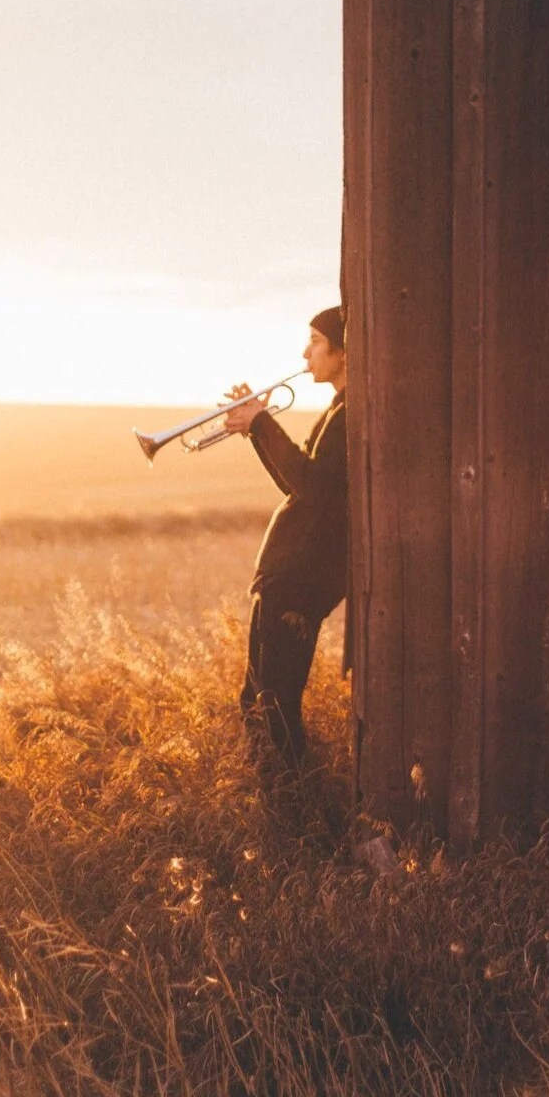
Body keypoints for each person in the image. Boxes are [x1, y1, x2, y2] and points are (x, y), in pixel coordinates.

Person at [220, 306, 348, 812]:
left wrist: (263, 422)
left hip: (298, 583)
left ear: (343, 351)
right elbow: (298, 488)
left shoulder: (348, 414)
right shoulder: (339, 412)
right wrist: (255, 429)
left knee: (272, 707)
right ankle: (278, 805)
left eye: (315, 341)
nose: (305, 352)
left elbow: (311, 489)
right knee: (258, 703)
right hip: (288, 579)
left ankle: (295, 814)